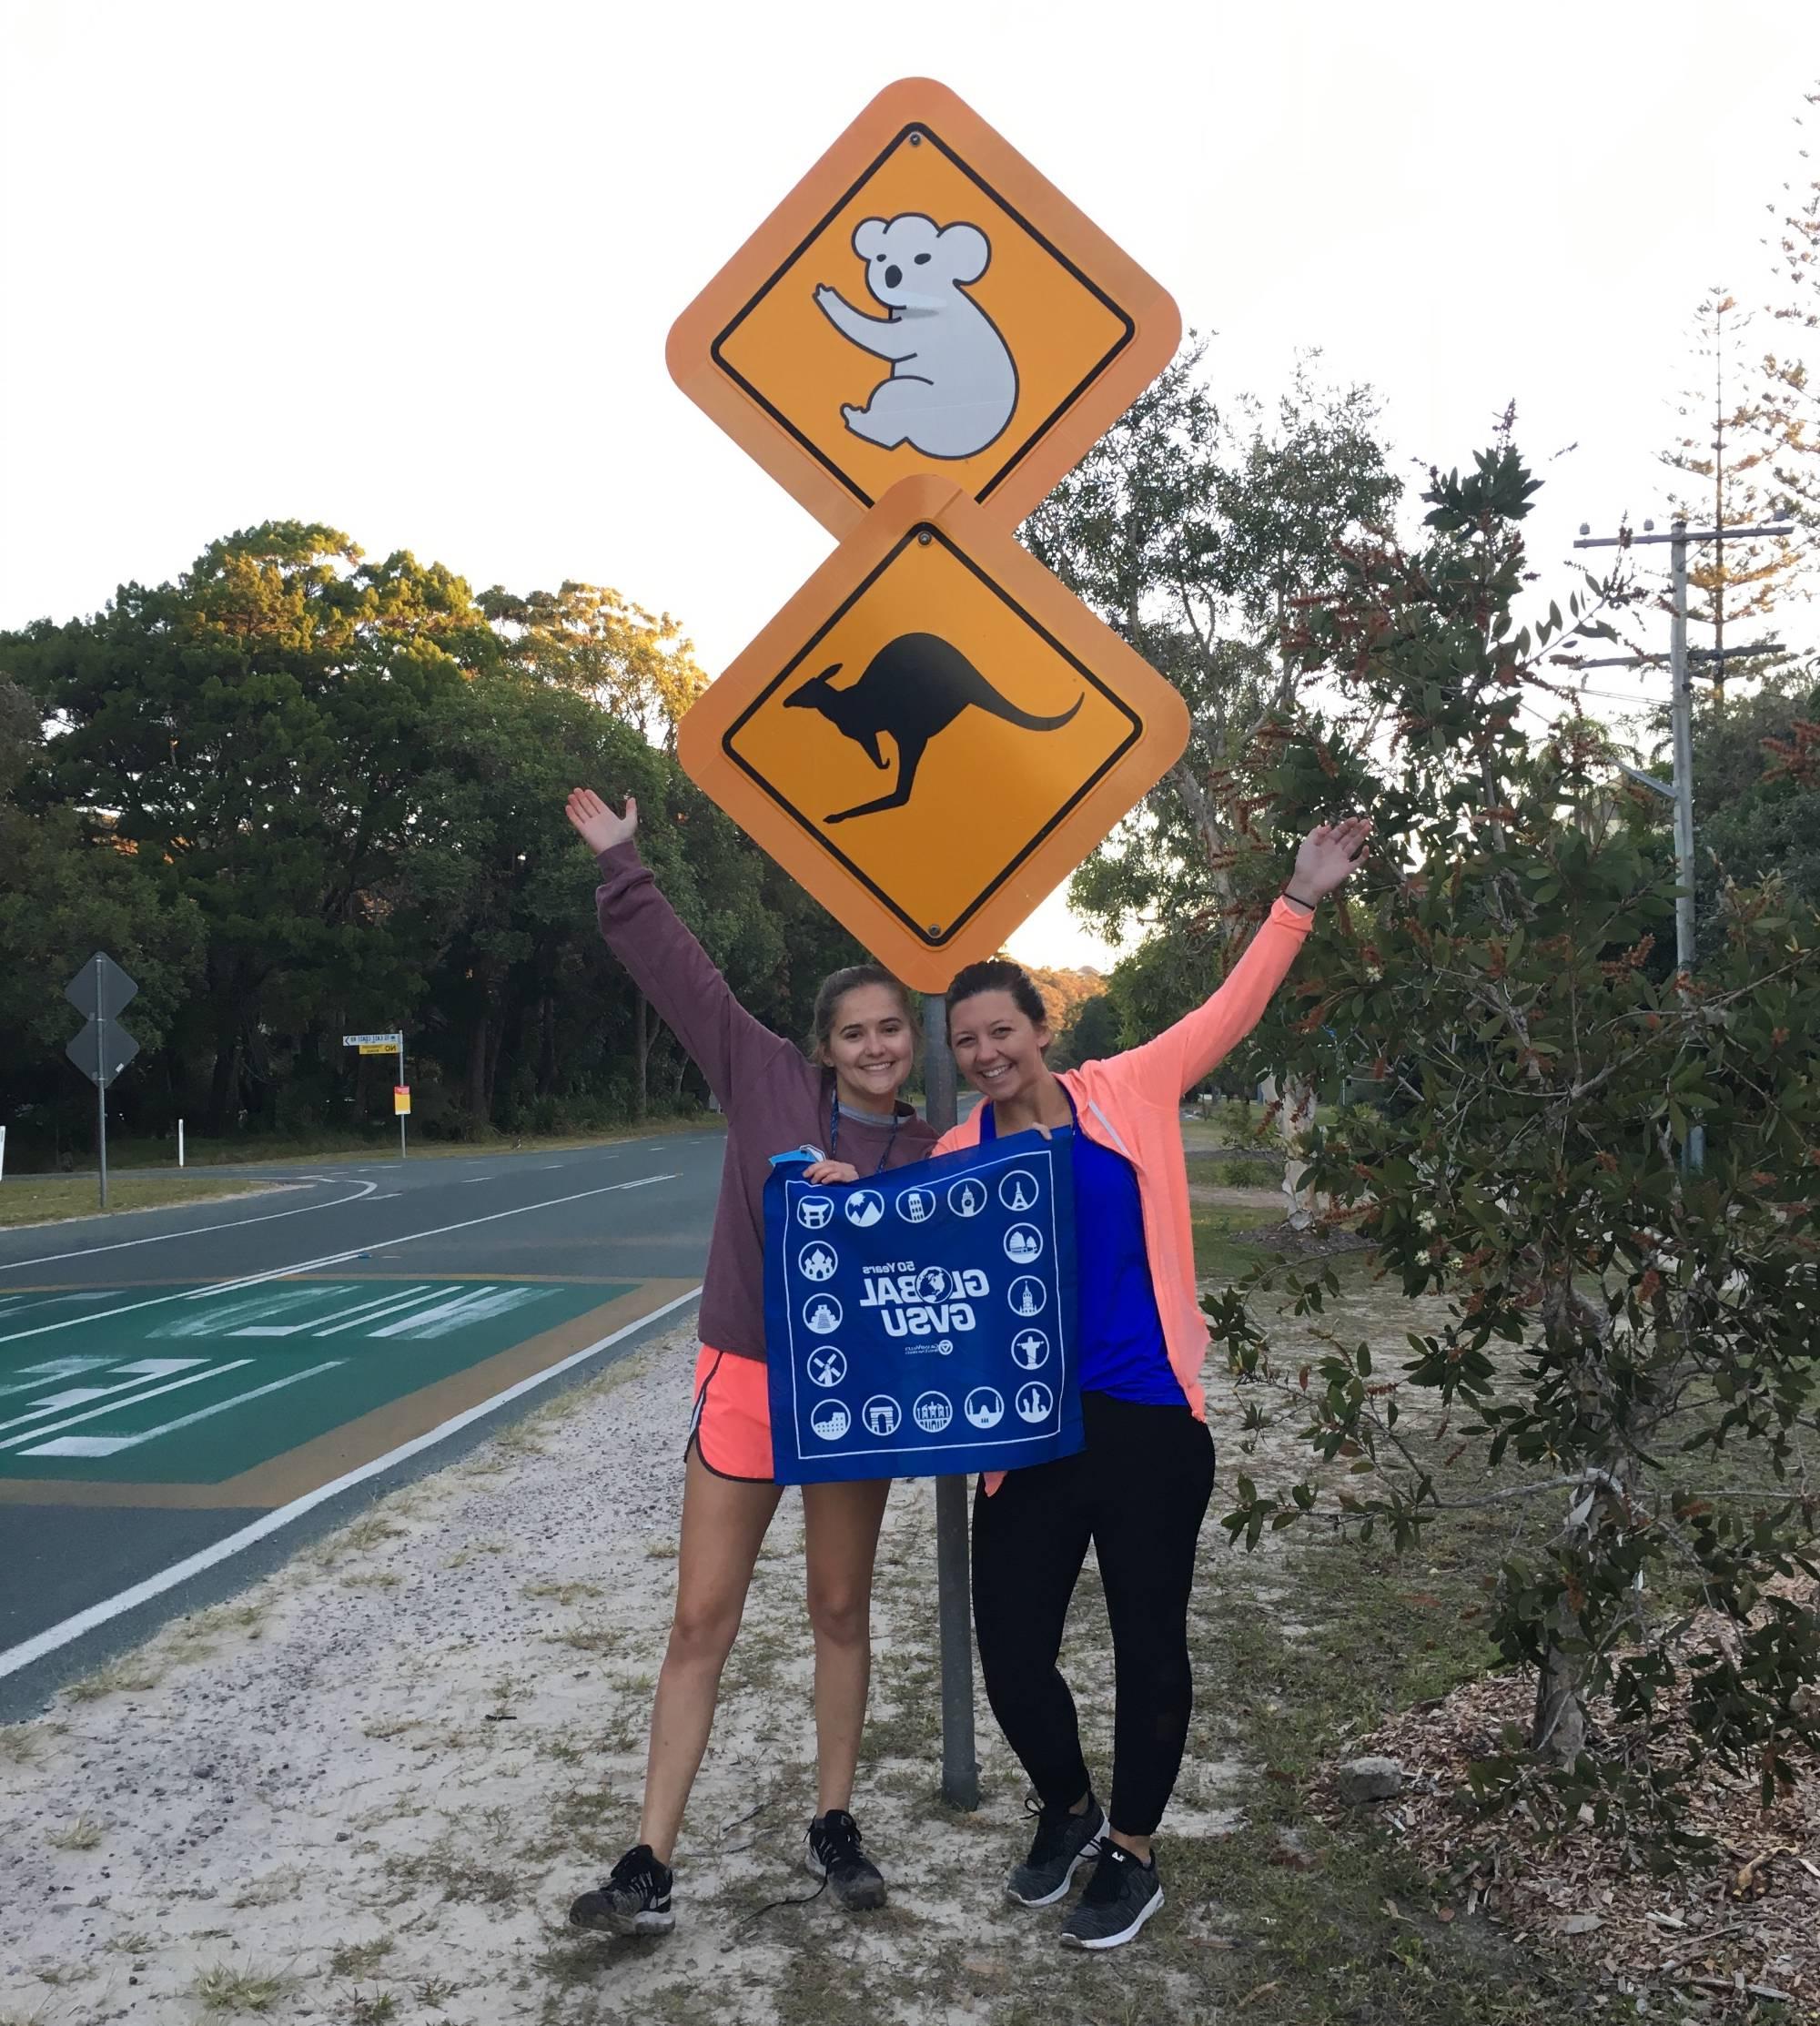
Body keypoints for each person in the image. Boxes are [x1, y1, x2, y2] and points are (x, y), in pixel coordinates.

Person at [934, 818, 1371, 1951]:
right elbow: (903, 1267)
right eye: (966, 1041)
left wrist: (1297, 899)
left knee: (1146, 1643)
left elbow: (1226, 1013)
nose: (986, 1053)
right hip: (1026, 1437)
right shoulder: (952, 1155)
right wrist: (829, 1187)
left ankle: (1130, 1852)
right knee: (1013, 1654)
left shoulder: (1125, 1091)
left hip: (1144, 1420)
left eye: (1001, 1031)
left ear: (1039, 1029)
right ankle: (1067, 1806)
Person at [560, 787, 936, 1938]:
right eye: (854, 1032)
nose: (875, 1046)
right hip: (749, 1383)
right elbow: (683, 976)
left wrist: (871, 1203)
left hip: (854, 1403)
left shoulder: (929, 1148)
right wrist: (624, 865)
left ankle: (833, 1826)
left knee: (836, 1610)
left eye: (891, 1029)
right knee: (699, 1624)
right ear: (823, 1047)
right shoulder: (763, 1078)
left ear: (910, 1042)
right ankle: (647, 1863)